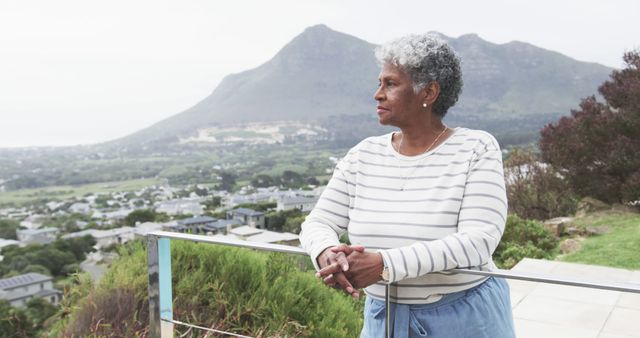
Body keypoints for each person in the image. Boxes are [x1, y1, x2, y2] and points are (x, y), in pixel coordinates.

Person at [299, 33, 515, 338]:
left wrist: (385, 264)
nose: (377, 94)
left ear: (428, 91)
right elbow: (318, 222)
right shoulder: (362, 156)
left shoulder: (476, 148)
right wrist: (327, 253)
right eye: (380, 83)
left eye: (390, 84)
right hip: (382, 316)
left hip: (462, 318)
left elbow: (479, 240)